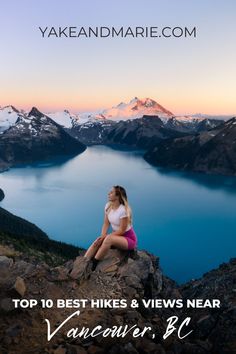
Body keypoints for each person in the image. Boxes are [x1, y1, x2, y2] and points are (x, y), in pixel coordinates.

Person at [84, 185, 138, 271]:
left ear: (118, 196)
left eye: (111, 192)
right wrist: (102, 236)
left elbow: (122, 230)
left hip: (128, 239)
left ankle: (94, 264)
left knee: (108, 239)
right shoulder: (108, 206)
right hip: (116, 236)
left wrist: (106, 237)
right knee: (97, 241)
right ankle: (83, 262)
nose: (108, 193)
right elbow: (106, 223)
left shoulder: (123, 210)